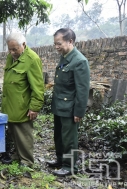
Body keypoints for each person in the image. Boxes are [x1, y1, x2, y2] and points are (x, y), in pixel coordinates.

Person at [46, 28, 90, 176]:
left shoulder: (79, 61)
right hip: (59, 105)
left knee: (69, 139)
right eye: (55, 44)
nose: (56, 47)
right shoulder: (65, 57)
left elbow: (82, 90)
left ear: (70, 41)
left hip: (70, 108)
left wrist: (79, 111)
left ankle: (70, 166)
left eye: (59, 43)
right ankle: (60, 160)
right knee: (58, 135)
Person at [1, 33, 44, 168]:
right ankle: (17, 156)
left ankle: (27, 161)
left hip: (23, 106)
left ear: (23, 45)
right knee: (13, 132)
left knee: (24, 135)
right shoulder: (11, 57)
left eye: (15, 49)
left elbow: (37, 86)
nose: (12, 52)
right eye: (10, 49)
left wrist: (35, 107)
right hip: (10, 104)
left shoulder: (32, 59)